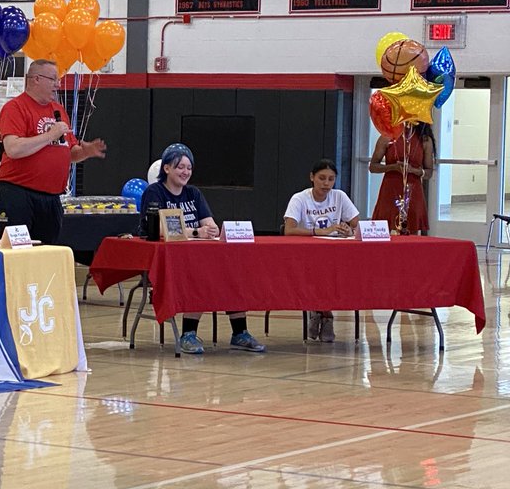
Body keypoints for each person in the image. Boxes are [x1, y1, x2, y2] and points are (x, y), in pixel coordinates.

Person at [138, 143, 266, 354]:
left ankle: (239, 331)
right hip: (168, 260)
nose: (185, 172)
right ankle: (188, 333)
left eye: (189, 167)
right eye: (180, 166)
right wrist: (196, 232)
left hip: (197, 256)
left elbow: (210, 224)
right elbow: (161, 228)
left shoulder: (193, 193)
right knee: (200, 276)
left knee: (231, 272)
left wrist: (209, 229)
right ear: (167, 168)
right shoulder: (155, 192)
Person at [0, 59, 107, 244]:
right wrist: (50, 135)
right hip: (19, 194)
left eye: (59, 79)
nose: (58, 85)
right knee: (17, 253)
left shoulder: (58, 110)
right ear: (36, 79)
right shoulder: (15, 108)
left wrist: (86, 152)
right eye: (53, 79)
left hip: (51, 198)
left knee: (47, 253)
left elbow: (69, 152)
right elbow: (13, 149)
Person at [283, 159, 361, 342]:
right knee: (321, 271)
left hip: (334, 254)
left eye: (331, 179)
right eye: (322, 178)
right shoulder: (300, 198)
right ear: (312, 177)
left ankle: (321, 312)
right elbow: (289, 229)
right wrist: (318, 231)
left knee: (334, 269)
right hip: (305, 254)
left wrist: (349, 231)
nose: (326, 183)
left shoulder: (339, 196)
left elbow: (359, 225)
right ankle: (324, 314)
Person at [370, 123, 435, 234]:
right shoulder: (387, 137)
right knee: (387, 227)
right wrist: (393, 167)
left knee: (412, 228)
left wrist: (413, 170)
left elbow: (429, 172)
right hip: (391, 188)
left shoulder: (424, 139)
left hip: (413, 190)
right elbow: (373, 167)